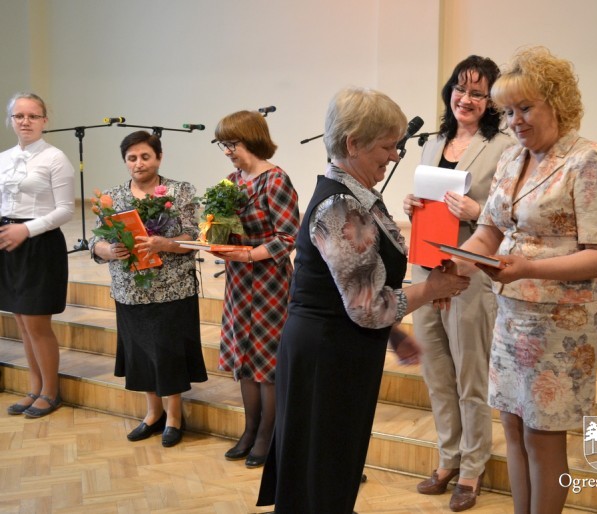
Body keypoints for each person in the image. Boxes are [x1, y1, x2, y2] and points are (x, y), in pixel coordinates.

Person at [257, 87, 471, 514]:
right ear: (353, 143)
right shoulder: (339, 206)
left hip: (339, 349)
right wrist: (432, 289)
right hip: (327, 355)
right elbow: (366, 306)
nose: (394, 155)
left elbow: (357, 285)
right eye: (387, 146)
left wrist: (394, 334)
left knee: (332, 466)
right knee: (321, 472)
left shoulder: (353, 195)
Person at [459, 47, 597, 514]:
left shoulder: (589, 159)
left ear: (557, 103)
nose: (515, 121)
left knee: (542, 435)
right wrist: (455, 263)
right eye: (508, 111)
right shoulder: (512, 158)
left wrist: (528, 267)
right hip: (512, 314)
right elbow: (489, 233)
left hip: (560, 321)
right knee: (513, 429)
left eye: (525, 108)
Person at [402, 56, 514, 511]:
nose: (466, 99)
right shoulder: (433, 142)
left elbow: (511, 215)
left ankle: (472, 467)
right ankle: (448, 457)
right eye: (460, 89)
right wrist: (410, 203)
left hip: (469, 272)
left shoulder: (504, 146)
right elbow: (429, 202)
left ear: (491, 101)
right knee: (436, 372)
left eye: (477, 93)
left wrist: (478, 212)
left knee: (470, 376)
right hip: (426, 269)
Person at [91, 131, 207, 447]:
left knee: (169, 353)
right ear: (125, 162)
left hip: (172, 288)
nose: (139, 163)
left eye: (145, 156)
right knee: (140, 352)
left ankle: (174, 416)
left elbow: (194, 236)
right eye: (132, 158)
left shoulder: (179, 191)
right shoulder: (112, 197)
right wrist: (108, 250)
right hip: (130, 290)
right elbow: (95, 241)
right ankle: (153, 414)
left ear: (159, 157)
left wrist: (165, 244)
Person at [212, 110, 299, 469]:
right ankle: (250, 430)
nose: (227, 151)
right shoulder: (232, 181)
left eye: (231, 143)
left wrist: (248, 254)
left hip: (269, 281)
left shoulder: (275, 180)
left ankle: (267, 434)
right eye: (222, 144)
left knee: (267, 362)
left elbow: (288, 237)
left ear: (250, 138)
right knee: (245, 358)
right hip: (238, 280)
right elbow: (223, 228)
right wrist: (213, 237)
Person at [1, 92, 74, 418]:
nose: (25, 121)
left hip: (39, 244)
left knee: (36, 322)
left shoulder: (55, 158)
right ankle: (34, 387)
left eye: (32, 116)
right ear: (10, 120)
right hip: (9, 243)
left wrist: (26, 230)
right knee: (21, 321)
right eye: (19, 116)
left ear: (45, 120)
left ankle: (50, 391)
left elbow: (65, 210)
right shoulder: (3, 158)